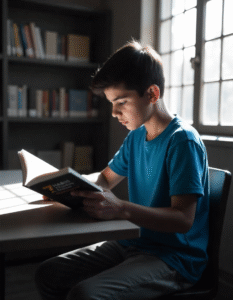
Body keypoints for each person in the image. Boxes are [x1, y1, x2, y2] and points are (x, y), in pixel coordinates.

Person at [35, 40, 209, 300]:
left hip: (174, 258)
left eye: (122, 102)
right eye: (111, 103)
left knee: (84, 294)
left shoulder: (182, 141)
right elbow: (105, 178)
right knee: (48, 273)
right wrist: (67, 186)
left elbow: (183, 219)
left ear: (152, 94)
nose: (115, 112)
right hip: (133, 241)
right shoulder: (137, 136)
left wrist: (121, 208)